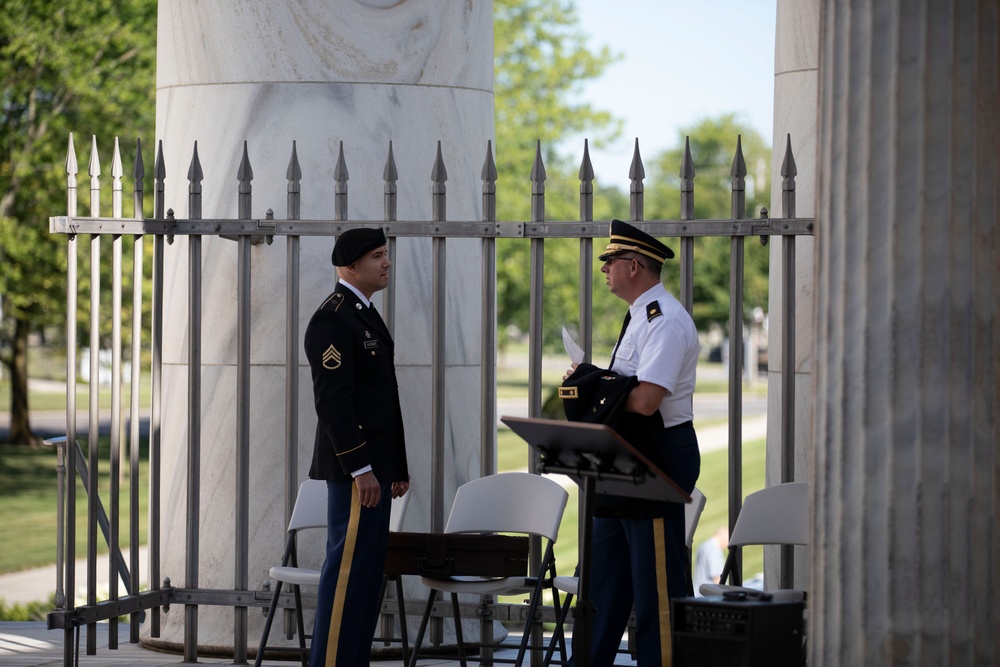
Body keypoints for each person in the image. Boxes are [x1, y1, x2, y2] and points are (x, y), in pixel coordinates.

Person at [564, 219, 701, 667]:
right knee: (604, 586)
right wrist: (592, 383)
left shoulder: (665, 321)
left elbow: (644, 401)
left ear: (635, 265)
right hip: (625, 461)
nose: (604, 269)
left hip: (656, 457)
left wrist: (594, 383)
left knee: (655, 589)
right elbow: (622, 390)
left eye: (610, 261)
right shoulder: (641, 316)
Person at [304, 227, 410, 667]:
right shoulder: (334, 316)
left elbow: (384, 398)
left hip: (376, 471)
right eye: (377, 257)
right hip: (356, 473)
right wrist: (361, 468)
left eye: (386, 254)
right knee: (347, 571)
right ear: (351, 266)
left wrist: (395, 467)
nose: (386, 263)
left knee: (366, 574)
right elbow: (334, 403)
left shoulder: (363, 312)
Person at [693, 526, 729, 596]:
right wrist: (727, 594)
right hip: (708, 595)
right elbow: (716, 577)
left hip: (699, 592)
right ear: (725, 538)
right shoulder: (714, 549)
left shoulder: (704, 545)